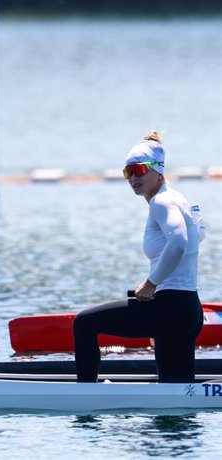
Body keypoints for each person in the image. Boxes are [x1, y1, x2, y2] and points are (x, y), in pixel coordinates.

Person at [73, 131, 204, 383]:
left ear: (158, 171)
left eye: (139, 170)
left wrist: (151, 283)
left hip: (169, 307)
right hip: (188, 309)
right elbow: (197, 237)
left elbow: (179, 242)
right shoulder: (179, 199)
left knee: (84, 324)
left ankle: (84, 394)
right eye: (128, 172)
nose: (133, 177)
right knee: (177, 395)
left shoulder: (162, 202)